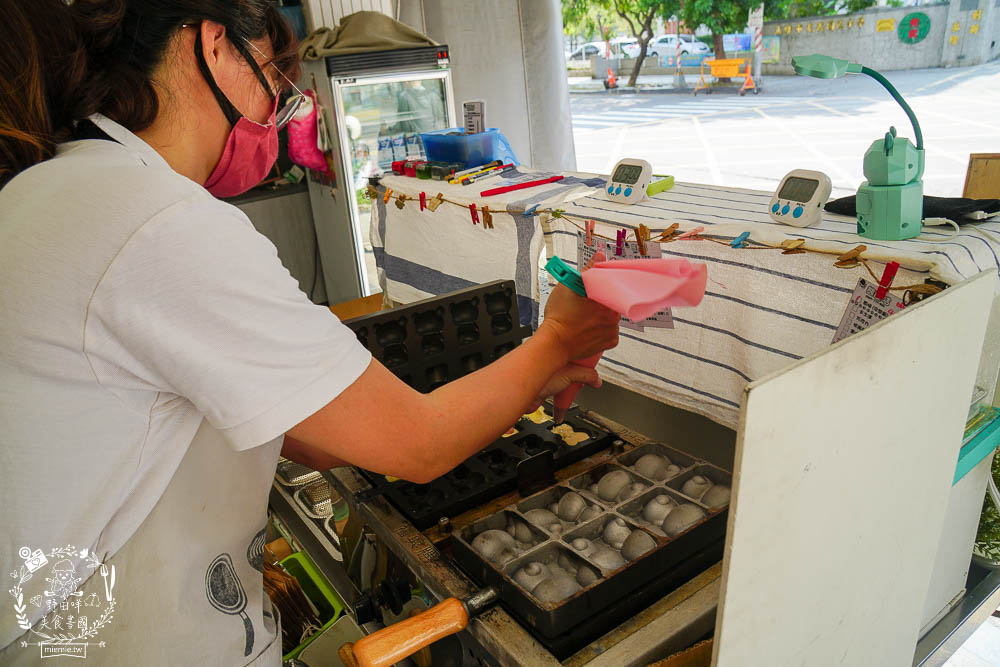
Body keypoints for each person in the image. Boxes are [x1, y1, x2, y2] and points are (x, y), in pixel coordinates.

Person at [0, 1, 619, 664]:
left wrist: (529, 375)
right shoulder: (156, 223)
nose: (276, 117)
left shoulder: (51, 190)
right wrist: (556, 337)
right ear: (215, 48)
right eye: (272, 78)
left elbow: (314, 439)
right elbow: (417, 443)